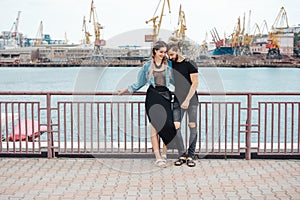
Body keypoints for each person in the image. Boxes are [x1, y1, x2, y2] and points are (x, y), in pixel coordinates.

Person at [118, 40, 176, 168]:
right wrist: (125, 91)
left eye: (165, 52)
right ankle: (158, 157)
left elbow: (176, 81)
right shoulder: (147, 66)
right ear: (155, 51)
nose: (163, 54)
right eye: (161, 52)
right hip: (153, 97)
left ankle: (165, 154)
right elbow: (139, 83)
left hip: (166, 96)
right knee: (154, 127)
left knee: (168, 125)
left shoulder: (169, 65)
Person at [167, 41, 199, 167]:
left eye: (172, 54)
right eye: (169, 55)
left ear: (178, 50)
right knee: (175, 126)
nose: (170, 57)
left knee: (192, 126)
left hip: (191, 101)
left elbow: (195, 84)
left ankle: (191, 156)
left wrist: (186, 100)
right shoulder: (172, 63)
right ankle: (182, 154)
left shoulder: (190, 63)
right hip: (177, 100)